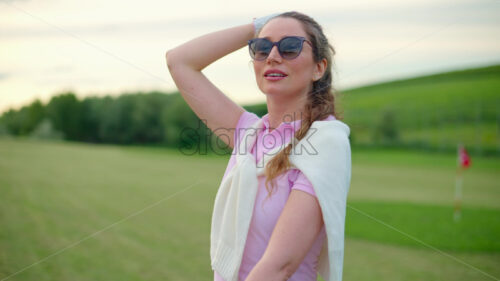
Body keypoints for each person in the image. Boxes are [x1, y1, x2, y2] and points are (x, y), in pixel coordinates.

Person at [166, 11, 351, 281]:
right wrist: (255, 27)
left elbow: (280, 265)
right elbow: (179, 61)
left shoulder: (326, 141)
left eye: (290, 47)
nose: (273, 56)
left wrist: (266, 32)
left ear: (318, 68)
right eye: (262, 48)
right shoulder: (249, 133)